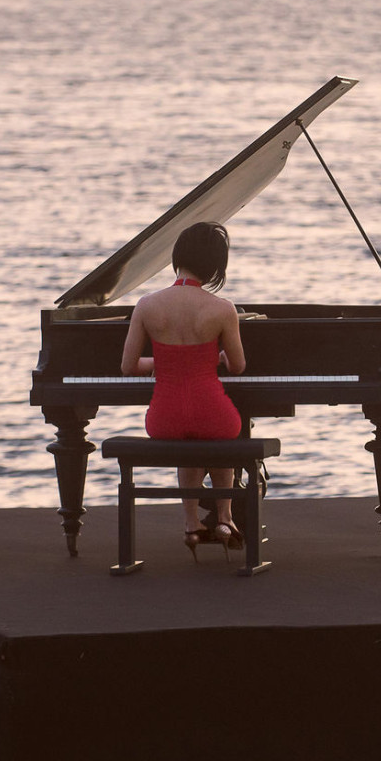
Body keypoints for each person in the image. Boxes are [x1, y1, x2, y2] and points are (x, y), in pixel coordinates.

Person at [120, 222, 248, 555]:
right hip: (213, 413)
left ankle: (191, 525)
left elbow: (129, 366)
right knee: (222, 439)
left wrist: (166, 363)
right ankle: (225, 517)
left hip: (164, 418)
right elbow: (238, 366)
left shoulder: (147, 305)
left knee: (185, 439)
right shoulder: (222, 309)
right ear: (215, 266)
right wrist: (214, 358)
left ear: (178, 257)